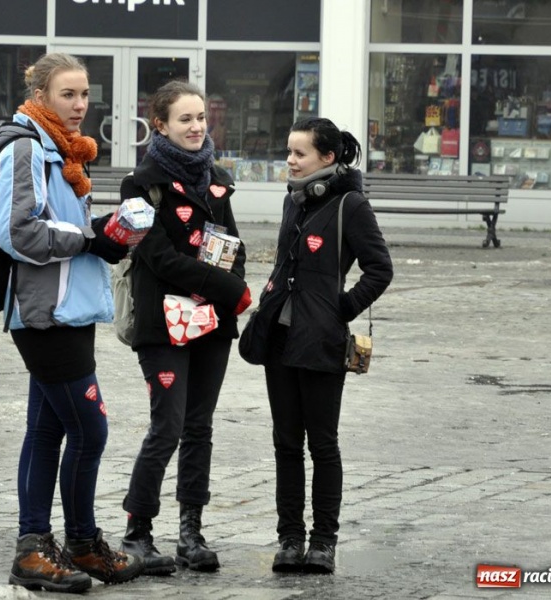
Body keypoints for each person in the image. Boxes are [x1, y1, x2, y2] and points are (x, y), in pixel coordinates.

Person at [0, 52, 141, 594]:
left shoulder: (65, 152)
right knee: (90, 428)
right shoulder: (25, 148)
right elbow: (19, 233)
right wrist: (89, 239)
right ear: (42, 95)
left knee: (48, 429)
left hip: (69, 309)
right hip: (43, 312)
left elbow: (61, 225)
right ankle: (70, 542)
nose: (79, 105)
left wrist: (103, 230)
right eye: (67, 95)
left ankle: (50, 547)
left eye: (85, 95)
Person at [239, 117, 393, 574]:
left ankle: (323, 541)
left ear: (327, 158)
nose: (289, 160)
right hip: (280, 340)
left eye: (299, 153)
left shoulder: (351, 204)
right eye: (288, 151)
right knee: (286, 443)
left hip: (322, 342)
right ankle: (289, 538)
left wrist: (339, 309)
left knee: (322, 445)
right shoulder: (294, 200)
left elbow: (379, 269)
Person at [117, 80, 252, 575]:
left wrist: (234, 284)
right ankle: (137, 532)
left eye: (201, 118)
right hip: (163, 325)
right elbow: (157, 257)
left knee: (199, 428)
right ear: (161, 125)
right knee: (167, 427)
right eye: (185, 120)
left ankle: (190, 532)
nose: (196, 127)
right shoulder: (141, 183)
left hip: (212, 324)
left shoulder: (217, 178)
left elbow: (231, 245)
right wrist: (225, 286)